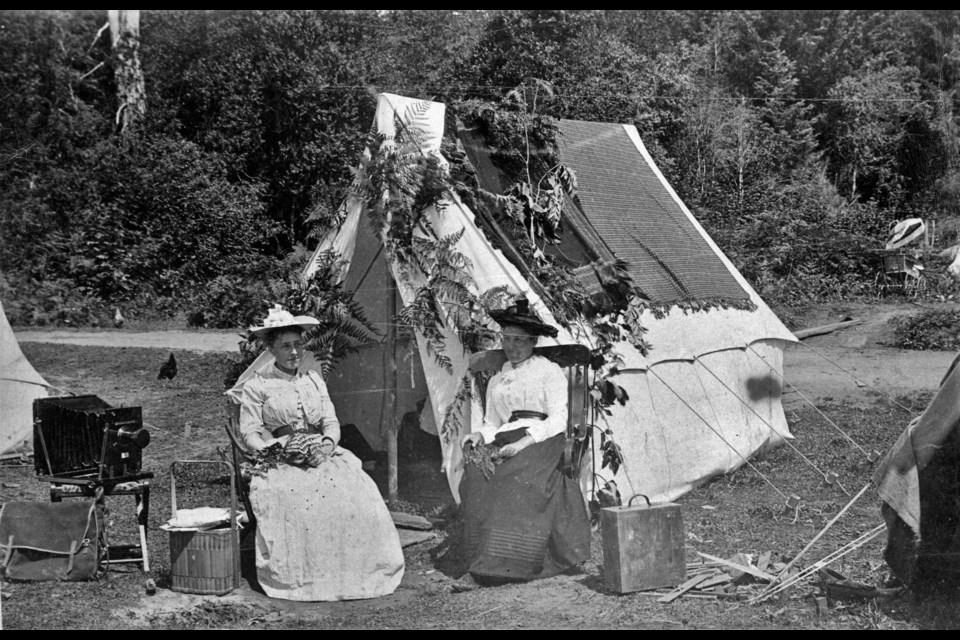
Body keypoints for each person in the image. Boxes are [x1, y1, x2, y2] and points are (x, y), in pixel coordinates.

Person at [237, 305, 404, 601]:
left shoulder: (313, 379)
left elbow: (330, 421)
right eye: (285, 346)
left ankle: (352, 573)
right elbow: (249, 433)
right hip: (282, 458)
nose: (294, 352)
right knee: (294, 496)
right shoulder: (257, 386)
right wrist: (279, 449)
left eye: (298, 344)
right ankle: (304, 577)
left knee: (356, 488)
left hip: (321, 453)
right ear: (271, 349)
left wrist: (327, 446)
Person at [457, 298, 592, 585]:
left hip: (542, 438)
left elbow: (558, 419)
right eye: (506, 339)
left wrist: (523, 444)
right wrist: (480, 434)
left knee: (511, 476)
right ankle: (480, 561)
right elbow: (493, 422)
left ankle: (510, 563)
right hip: (507, 435)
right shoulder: (498, 379)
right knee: (476, 472)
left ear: (532, 342)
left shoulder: (547, 371)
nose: (511, 346)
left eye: (519, 340)